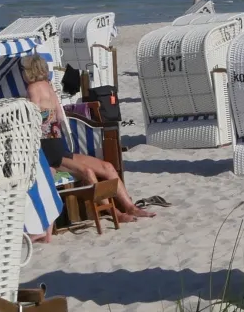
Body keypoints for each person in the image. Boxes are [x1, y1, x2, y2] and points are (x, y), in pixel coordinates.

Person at [21, 56, 152, 220]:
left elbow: (33, 119)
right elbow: (61, 118)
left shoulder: (32, 89)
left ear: (29, 71)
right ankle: (116, 213)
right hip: (55, 149)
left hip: (50, 148)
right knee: (98, 169)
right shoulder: (49, 87)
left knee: (107, 167)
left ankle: (129, 208)